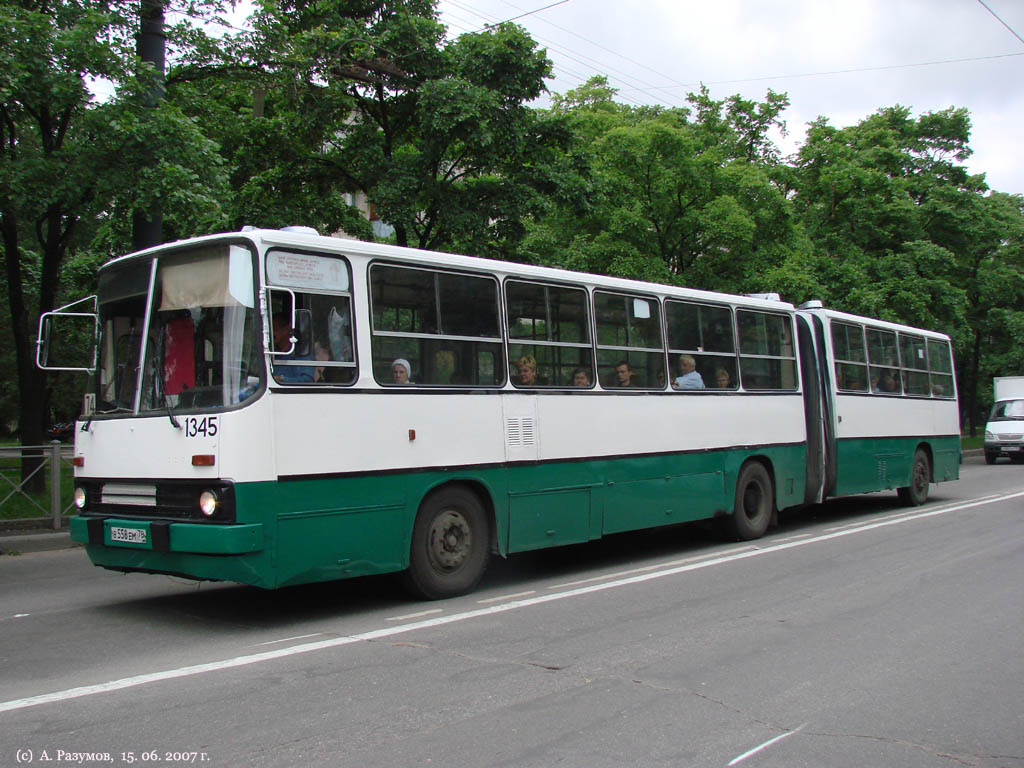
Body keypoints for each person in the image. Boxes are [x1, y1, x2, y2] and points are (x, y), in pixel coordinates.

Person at [272, 313, 315, 383]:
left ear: (286, 329)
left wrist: (282, 379)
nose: (272, 334)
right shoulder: (273, 353)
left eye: (275, 329)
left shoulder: (301, 353)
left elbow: (307, 380)